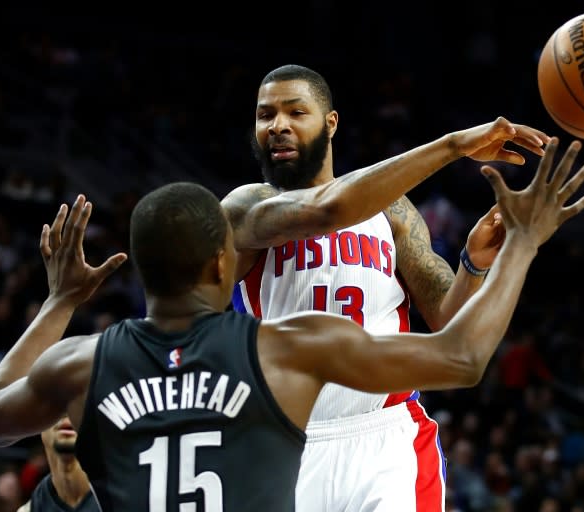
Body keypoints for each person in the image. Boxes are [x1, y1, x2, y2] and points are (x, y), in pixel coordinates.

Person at [0, 136, 584, 512]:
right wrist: (524, 243)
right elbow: (462, 357)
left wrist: (59, 301)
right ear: (225, 261)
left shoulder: (87, 362)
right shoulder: (280, 353)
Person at [221, 64, 550, 511]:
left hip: (386, 438)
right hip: (286, 443)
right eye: (265, 116)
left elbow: (447, 320)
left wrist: (473, 263)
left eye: (296, 112)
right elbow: (329, 209)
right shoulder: (246, 207)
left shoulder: (393, 210)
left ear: (330, 123)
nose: (278, 126)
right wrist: (454, 146)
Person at [16, 416, 98, 512]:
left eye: (78, 403)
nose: (67, 413)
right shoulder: (31, 508)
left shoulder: (117, 494)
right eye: (56, 405)